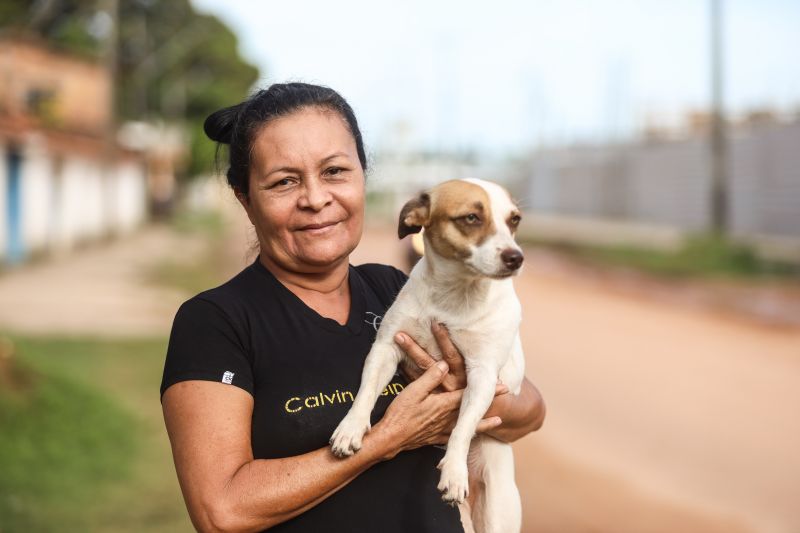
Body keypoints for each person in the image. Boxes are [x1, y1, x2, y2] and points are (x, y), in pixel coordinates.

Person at [160, 82, 545, 533]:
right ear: (245, 199)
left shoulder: (396, 290)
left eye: (335, 172)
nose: (316, 199)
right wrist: (386, 438)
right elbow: (222, 511)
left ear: (363, 177)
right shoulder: (216, 321)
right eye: (284, 181)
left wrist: (472, 392)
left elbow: (530, 412)